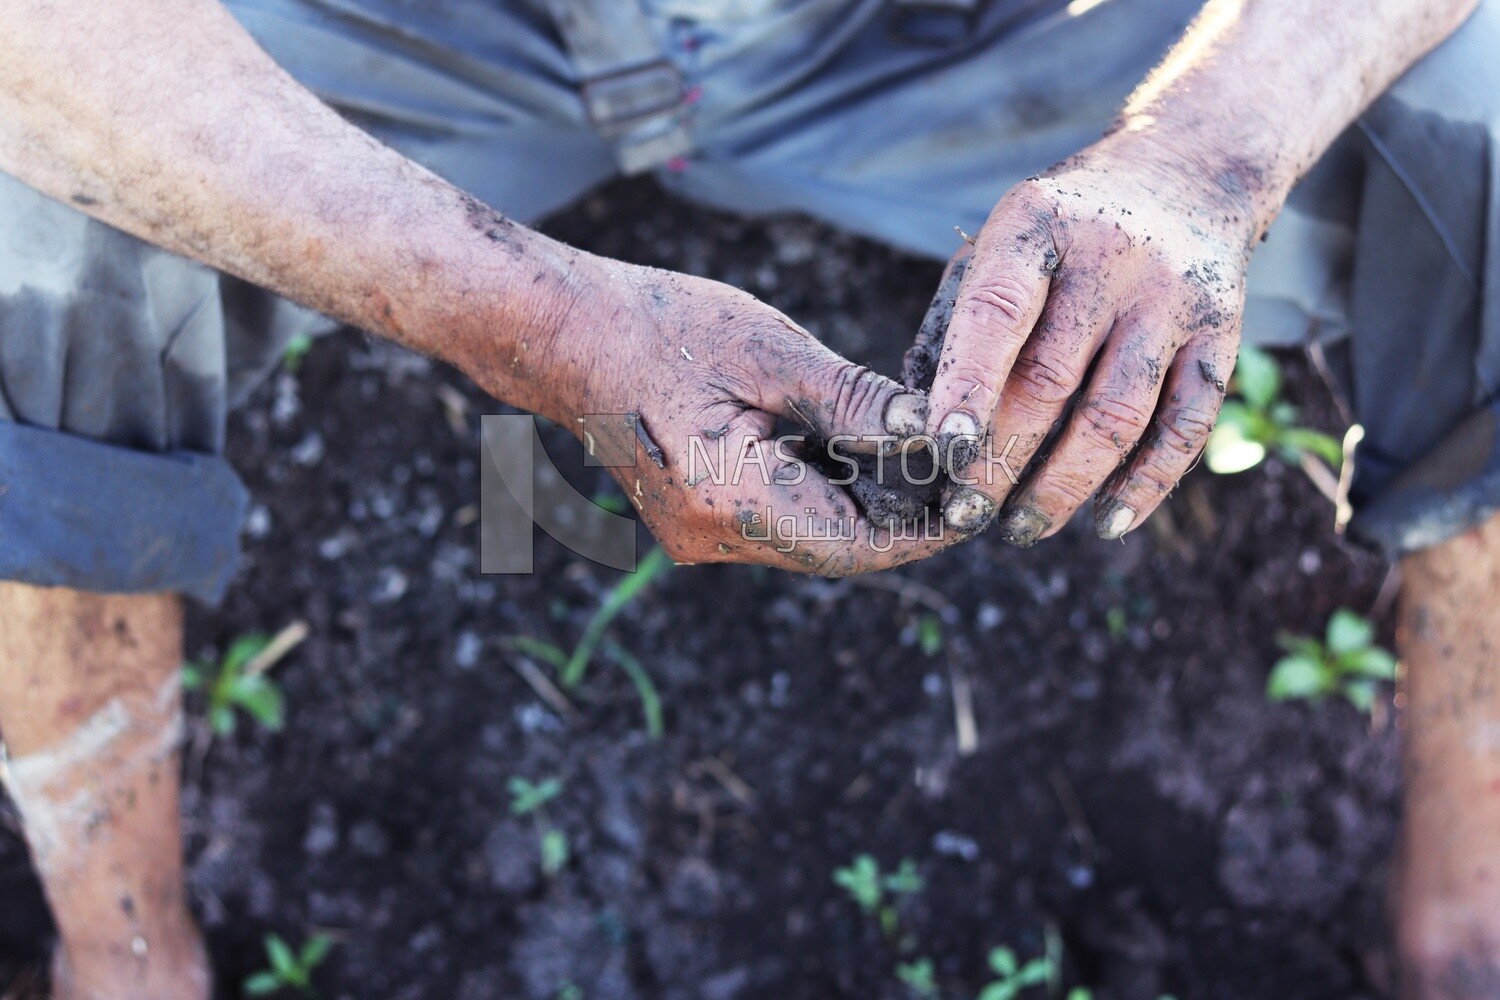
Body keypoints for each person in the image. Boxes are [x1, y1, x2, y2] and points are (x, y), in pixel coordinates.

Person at [0, 0, 1494, 996]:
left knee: (1476, 82)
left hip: (941, 39)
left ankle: (1468, 905)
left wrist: (1204, 146)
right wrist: (533, 322)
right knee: (31, 200)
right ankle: (123, 942)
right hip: (396, 42)